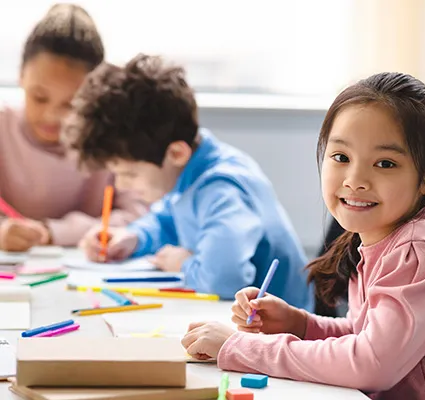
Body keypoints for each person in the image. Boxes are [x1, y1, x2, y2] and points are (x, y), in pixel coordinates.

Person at [182, 72, 425, 399]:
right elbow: (366, 334)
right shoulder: (380, 238)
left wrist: (242, 348)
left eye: (385, 163)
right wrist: (299, 324)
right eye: (341, 157)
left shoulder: (417, 250)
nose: (355, 179)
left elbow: (371, 364)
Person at [70, 54, 313, 309]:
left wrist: (182, 264)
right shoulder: (189, 170)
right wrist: (134, 237)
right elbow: (167, 221)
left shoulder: (221, 188)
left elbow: (226, 279)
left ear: (176, 153)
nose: (120, 185)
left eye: (129, 174)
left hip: (282, 334)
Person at [0, 3, 146, 251]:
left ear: (94, 93)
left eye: (71, 104)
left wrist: (55, 232)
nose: (52, 116)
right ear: (21, 76)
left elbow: (141, 216)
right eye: (39, 97)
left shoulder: (115, 141)